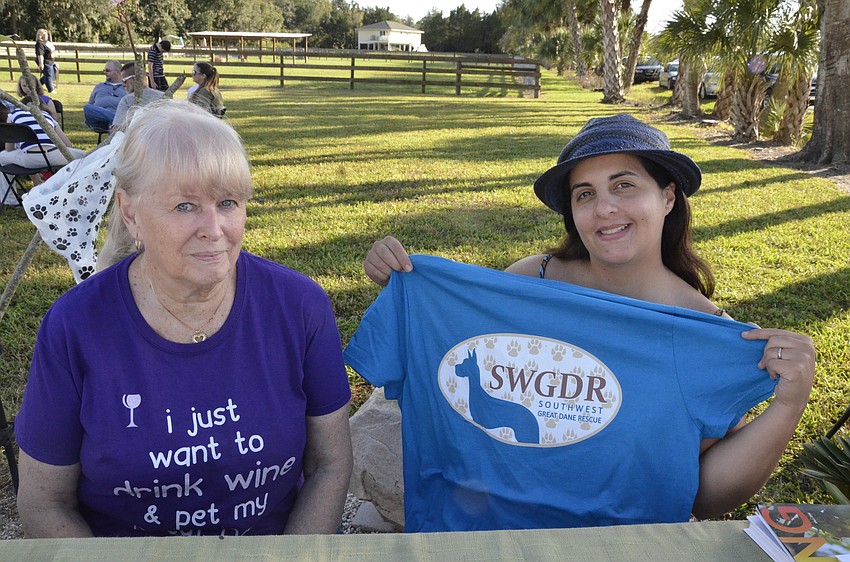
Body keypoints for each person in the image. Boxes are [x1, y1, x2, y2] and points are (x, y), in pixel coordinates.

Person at [347, 114, 815, 531]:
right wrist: (406, 286)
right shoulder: (534, 279)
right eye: (585, 194)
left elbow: (708, 499)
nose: (605, 208)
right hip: (477, 535)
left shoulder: (701, 334)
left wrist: (788, 405)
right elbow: (448, 351)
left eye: (624, 185)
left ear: (668, 196)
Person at [14, 101, 354, 537]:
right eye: (185, 206)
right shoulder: (76, 327)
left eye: (228, 202)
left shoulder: (299, 308)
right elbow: (44, 500)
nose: (213, 229)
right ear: (131, 211)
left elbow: (329, 464)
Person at [111, 62, 164, 132]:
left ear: (134, 78)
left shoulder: (127, 100)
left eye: (124, 81)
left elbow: (117, 129)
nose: (123, 85)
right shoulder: (163, 96)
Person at [83, 60, 128, 131]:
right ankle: (114, 119)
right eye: (104, 70)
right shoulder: (99, 86)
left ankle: (114, 124)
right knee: (87, 107)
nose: (105, 73)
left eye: (107, 71)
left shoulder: (126, 87)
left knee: (114, 121)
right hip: (99, 121)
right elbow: (91, 105)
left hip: (119, 117)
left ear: (118, 72)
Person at [34, 29, 56, 93]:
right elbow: (40, 54)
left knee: (50, 74)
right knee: (48, 75)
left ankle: (37, 85)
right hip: (45, 61)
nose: (47, 36)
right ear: (41, 35)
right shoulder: (40, 43)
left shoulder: (47, 42)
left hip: (50, 61)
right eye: (45, 35)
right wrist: (41, 64)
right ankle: (50, 89)